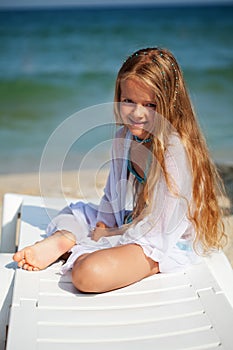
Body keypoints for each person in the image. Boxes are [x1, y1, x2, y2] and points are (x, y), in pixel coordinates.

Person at [13, 47, 227, 293]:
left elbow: (161, 229)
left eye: (150, 105)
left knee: (87, 274)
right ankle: (65, 239)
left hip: (165, 241)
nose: (137, 113)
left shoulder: (175, 148)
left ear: (169, 103)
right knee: (76, 213)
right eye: (128, 101)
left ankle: (98, 254)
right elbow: (111, 196)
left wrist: (104, 244)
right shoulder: (123, 138)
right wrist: (104, 225)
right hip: (138, 221)